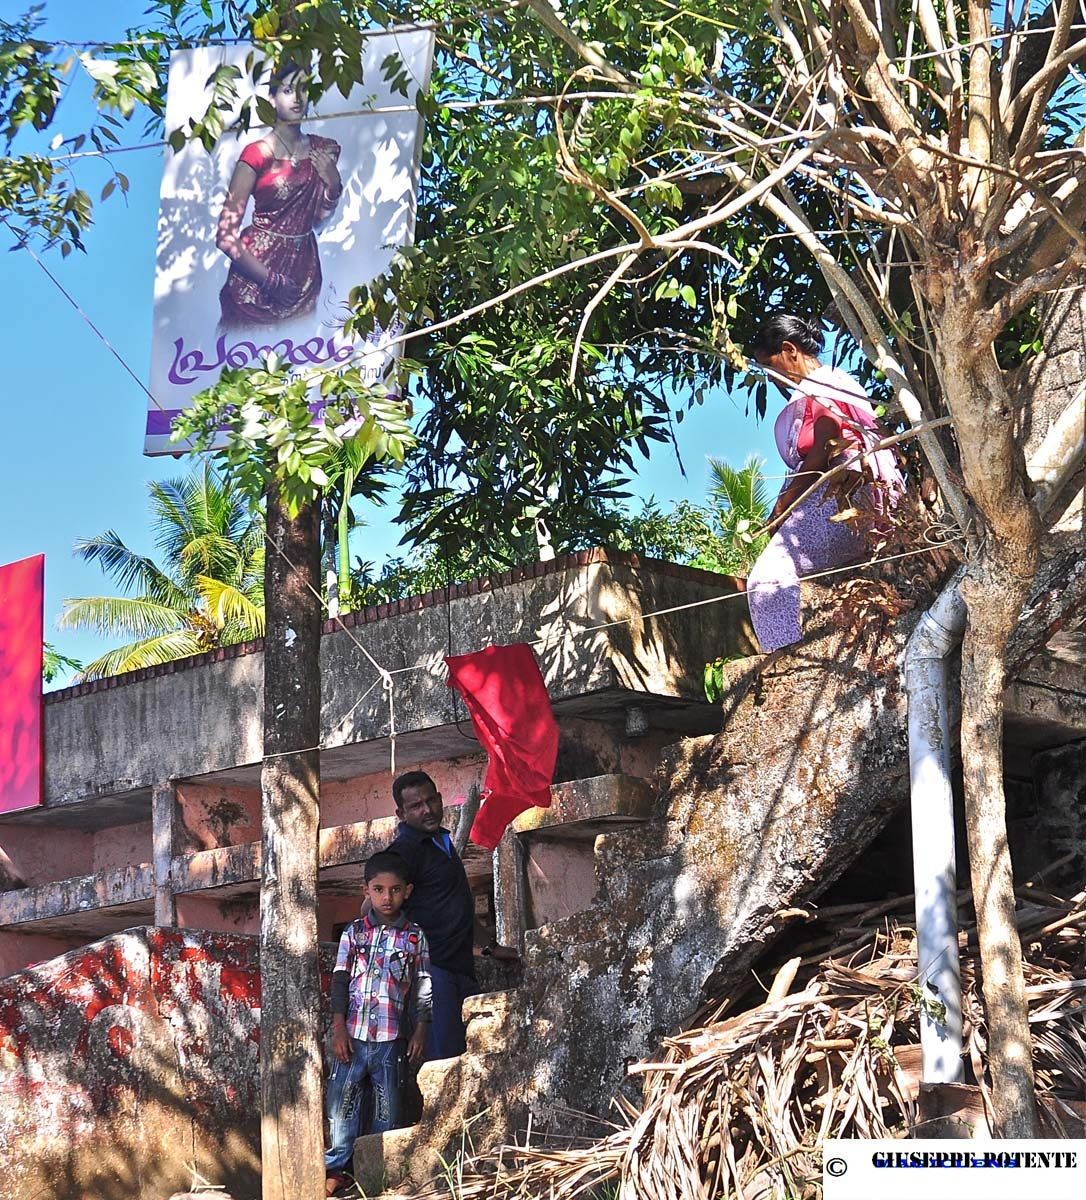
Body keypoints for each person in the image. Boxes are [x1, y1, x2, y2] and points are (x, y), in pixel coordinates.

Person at [745, 314, 905, 653]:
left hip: (845, 491)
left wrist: (784, 504)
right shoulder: (836, 382)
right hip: (859, 496)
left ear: (789, 350)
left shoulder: (820, 386)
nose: (770, 377)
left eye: (769, 365)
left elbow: (825, 445)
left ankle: (782, 660)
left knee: (767, 579)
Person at [324, 852, 431, 1197]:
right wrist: (339, 1028)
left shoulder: (414, 937)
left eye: (395, 890)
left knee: (388, 1111)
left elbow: (423, 984)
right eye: (379, 889)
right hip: (352, 1037)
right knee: (341, 1107)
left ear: (407, 891)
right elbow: (340, 980)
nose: (387, 897)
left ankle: (373, 1175)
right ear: (366, 890)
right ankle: (336, 1170)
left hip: (391, 1039)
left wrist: (421, 1029)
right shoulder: (353, 933)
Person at [216, 61, 342, 328]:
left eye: (303, 89)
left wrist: (333, 185)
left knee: (299, 351)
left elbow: (317, 222)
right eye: (287, 90)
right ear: (271, 98)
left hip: (303, 275)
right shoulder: (257, 154)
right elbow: (225, 237)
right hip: (256, 279)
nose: (297, 98)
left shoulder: (323, 151)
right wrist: (271, 281)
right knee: (244, 351)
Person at [387, 771, 477, 1060]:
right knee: (445, 1063)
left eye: (430, 801)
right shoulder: (404, 851)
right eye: (416, 806)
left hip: (460, 967)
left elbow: (454, 903)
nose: (427, 810)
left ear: (440, 799)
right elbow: (373, 907)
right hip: (431, 973)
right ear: (401, 814)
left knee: (470, 1060)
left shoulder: (441, 841)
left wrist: (489, 946)